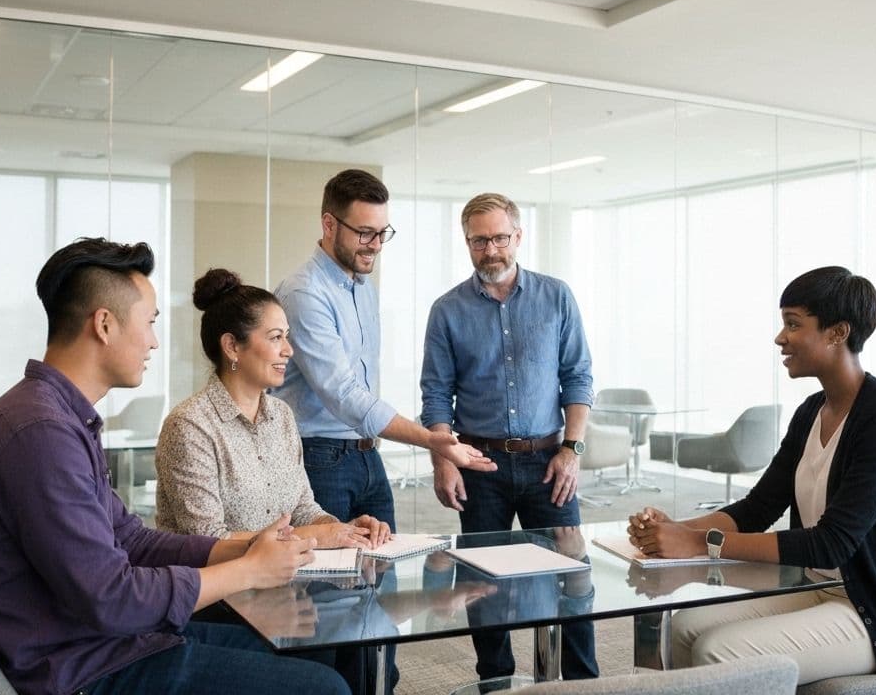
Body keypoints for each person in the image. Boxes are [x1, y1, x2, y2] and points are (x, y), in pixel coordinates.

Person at [0, 237, 348, 695]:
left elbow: (129, 540)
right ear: (105, 325)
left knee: (316, 647)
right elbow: (111, 598)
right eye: (149, 323)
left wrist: (250, 548)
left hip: (99, 642)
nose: (153, 340)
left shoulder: (56, 416)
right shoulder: (39, 433)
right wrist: (248, 571)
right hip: (78, 669)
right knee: (323, 688)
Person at [626, 266, 876, 685]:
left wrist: (699, 543)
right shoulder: (812, 410)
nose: (781, 338)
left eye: (793, 324)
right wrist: (674, 530)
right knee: (685, 627)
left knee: (716, 651)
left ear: (837, 333)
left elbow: (831, 545)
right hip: (815, 589)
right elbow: (758, 508)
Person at [156, 267, 393, 695]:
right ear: (232, 346)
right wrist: (319, 538)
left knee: (362, 632)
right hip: (223, 598)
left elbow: (303, 507)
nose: (289, 349)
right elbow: (205, 542)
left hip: (286, 584)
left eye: (287, 336)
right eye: (276, 337)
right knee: (322, 641)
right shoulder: (189, 426)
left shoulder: (282, 416)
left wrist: (344, 527)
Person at [420, 192, 599, 683]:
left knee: (573, 578)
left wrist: (573, 449)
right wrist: (444, 459)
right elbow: (436, 394)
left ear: (518, 237)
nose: (491, 250)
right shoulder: (447, 310)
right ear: (467, 242)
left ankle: (584, 683)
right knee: (482, 585)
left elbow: (578, 377)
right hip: (480, 464)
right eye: (480, 241)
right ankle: (494, 682)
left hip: (550, 463)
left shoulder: (556, 296)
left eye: (500, 238)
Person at [273, 168, 496, 527]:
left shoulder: (362, 287)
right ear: (329, 225)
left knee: (381, 569)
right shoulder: (304, 293)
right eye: (365, 233)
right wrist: (430, 439)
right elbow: (343, 393)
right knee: (327, 578)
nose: (376, 244)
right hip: (318, 458)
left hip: (366, 454)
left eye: (382, 233)